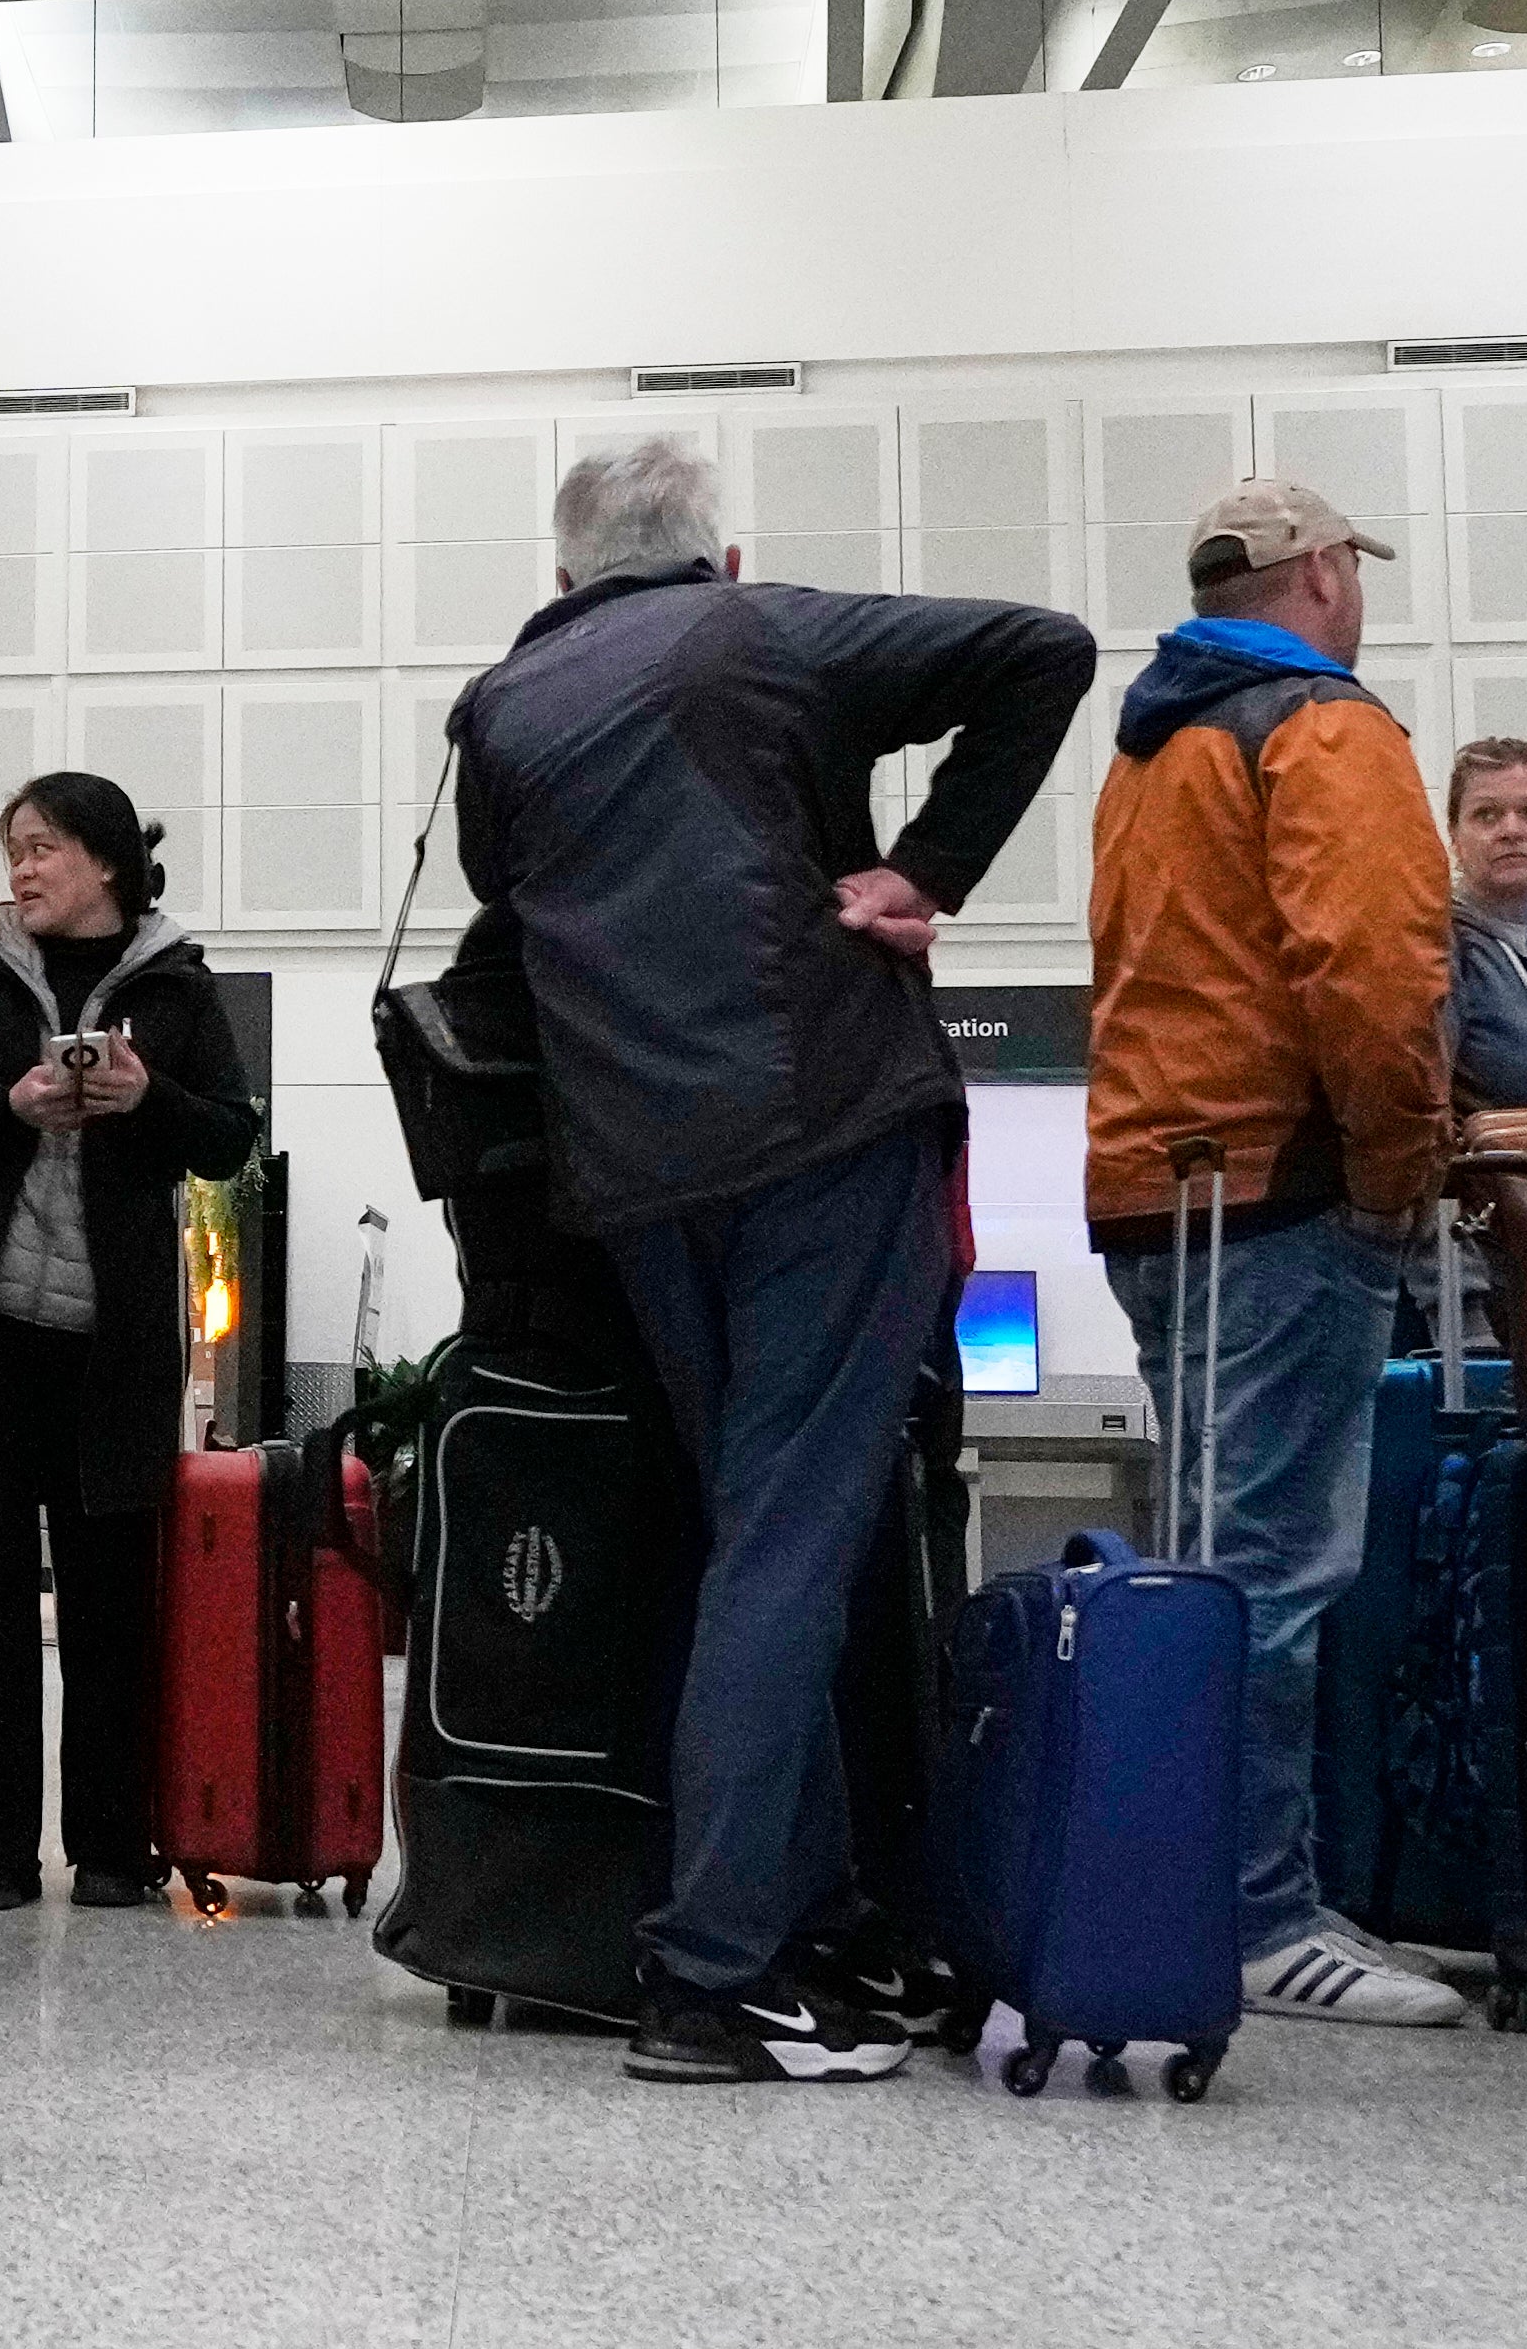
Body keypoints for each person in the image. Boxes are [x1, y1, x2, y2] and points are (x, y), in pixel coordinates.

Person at [454, 438, 1090, 2085]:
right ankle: (714, 1967)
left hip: (634, 1175)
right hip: (816, 1125)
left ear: (559, 572)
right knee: (795, 1537)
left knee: (755, 1533)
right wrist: (927, 867)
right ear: (714, 555)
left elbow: (505, 917)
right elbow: (1039, 647)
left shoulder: (501, 707)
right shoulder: (755, 635)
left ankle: (796, 1928)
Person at [1086, 478, 1463, 2028]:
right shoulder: (1320, 726)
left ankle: (1199, 1889)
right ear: (1319, 572)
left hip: (1158, 1185)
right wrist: (1396, 1169)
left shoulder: (1148, 742)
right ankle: (1254, 1914)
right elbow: (1373, 969)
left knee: (1208, 1556)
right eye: (1349, 572)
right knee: (1272, 1574)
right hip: (1281, 1192)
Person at [0, 773, 256, 1914]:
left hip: (112, 1344)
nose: (21, 870)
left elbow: (229, 1138)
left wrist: (149, 1099)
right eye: (13, 851)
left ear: (104, 860)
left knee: (109, 1606)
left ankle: (109, 1848)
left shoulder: (177, 983)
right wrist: (11, 1103)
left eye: (40, 848)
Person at [1441, 738, 1527, 1429]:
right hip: (1488, 1271)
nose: (1512, 828)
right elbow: (1428, 1111)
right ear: (1455, 836)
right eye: (1486, 814)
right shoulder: (1439, 949)